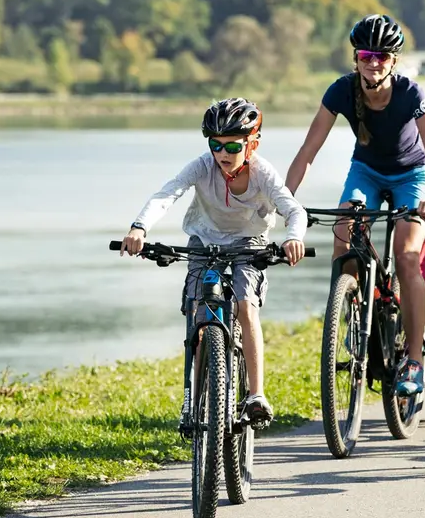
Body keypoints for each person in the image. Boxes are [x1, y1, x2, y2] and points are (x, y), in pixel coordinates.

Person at [285, 14, 425, 396]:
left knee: (406, 256)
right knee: (344, 236)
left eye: (381, 56)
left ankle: (414, 360)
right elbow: (308, 151)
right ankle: (354, 312)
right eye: (365, 55)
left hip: (411, 176)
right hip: (367, 172)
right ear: (356, 58)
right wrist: (286, 200)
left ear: (393, 61)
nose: (373, 63)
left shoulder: (411, 94)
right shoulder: (341, 91)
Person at [119, 98, 308, 427]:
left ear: (252, 144)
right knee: (197, 310)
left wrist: (293, 237)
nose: (223, 153)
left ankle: (256, 395)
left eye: (233, 146)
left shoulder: (263, 173)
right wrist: (139, 227)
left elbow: (294, 210)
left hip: (249, 241)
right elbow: (167, 194)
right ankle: (196, 401)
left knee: (246, 306)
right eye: (216, 145)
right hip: (204, 239)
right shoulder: (202, 166)